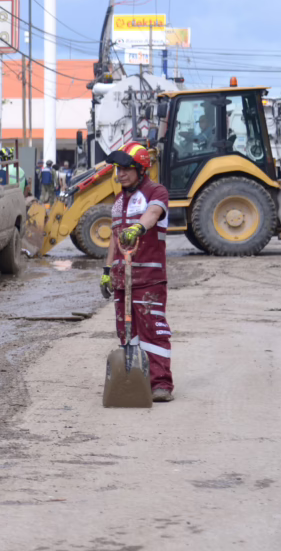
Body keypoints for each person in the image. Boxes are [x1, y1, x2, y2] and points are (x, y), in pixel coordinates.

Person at [99, 142, 174, 402]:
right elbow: (113, 237)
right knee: (126, 333)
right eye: (118, 169)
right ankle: (134, 382)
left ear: (142, 168)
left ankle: (161, 384)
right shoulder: (119, 200)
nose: (120, 174)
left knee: (153, 329)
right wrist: (107, 269)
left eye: (126, 169)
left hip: (149, 278)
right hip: (122, 279)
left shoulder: (156, 191)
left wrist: (138, 228)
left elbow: (153, 214)